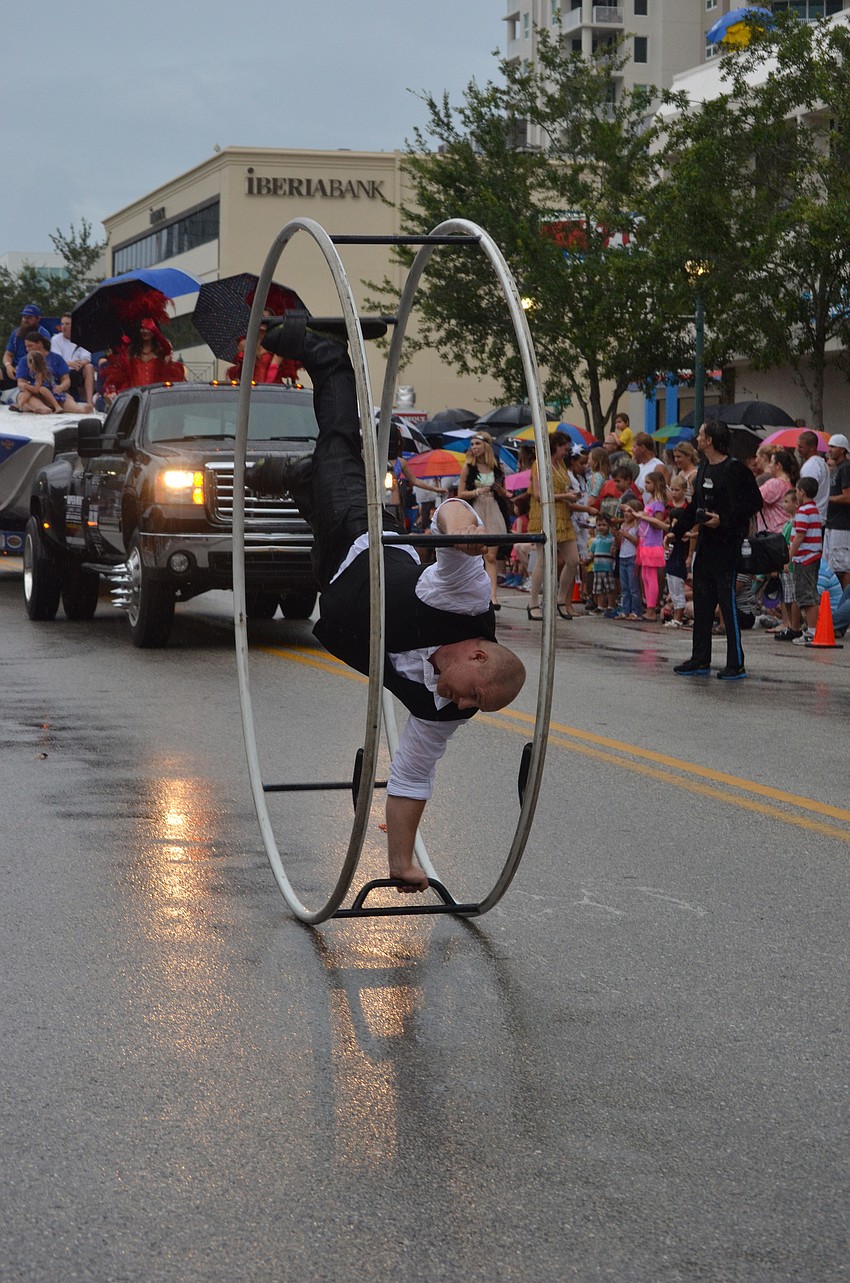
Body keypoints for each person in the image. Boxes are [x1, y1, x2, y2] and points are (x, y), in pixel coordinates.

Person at [245, 314, 526, 893]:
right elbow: (457, 518)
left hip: (333, 577)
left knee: (321, 475)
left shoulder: (445, 709)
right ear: (476, 655)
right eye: (472, 692)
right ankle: (320, 351)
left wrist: (400, 863)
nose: (461, 703)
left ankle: (302, 480)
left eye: (473, 706)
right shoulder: (466, 599)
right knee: (344, 444)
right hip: (362, 530)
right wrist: (457, 530)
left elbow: (412, 778)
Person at [674, 419, 763, 680]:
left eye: (701, 434)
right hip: (706, 547)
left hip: (728, 547)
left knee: (726, 605)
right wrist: (676, 531)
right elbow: (694, 507)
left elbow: (753, 503)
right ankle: (700, 658)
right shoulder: (703, 469)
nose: (697, 438)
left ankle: (736, 663)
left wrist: (723, 519)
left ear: (710, 440)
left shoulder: (735, 469)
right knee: (702, 605)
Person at [526, 430, 580, 621]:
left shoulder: (561, 464)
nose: (566, 452)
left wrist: (571, 497)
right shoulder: (539, 464)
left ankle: (560, 599)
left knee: (573, 560)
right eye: (564, 448)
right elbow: (539, 495)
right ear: (555, 446)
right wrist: (566, 496)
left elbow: (563, 487)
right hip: (544, 515)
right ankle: (532, 602)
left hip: (562, 515)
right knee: (543, 559)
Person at [457, 431, 511, 608]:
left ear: (486, 446)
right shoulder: (468, 468)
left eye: (477, 444)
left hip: (493, 509)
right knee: (474, 555)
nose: (474, 447)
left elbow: (504, 492)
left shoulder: (496, 468)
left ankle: (492, 595)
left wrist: (502, 492)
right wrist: (476, 492)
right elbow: (460, 494)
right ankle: (474, 592)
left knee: (491, 555)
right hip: (475, 510)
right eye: (472, 444)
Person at [15, 332, 91, 414]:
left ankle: (79, 409)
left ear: (40, 344)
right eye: (26, 346)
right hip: (34, 394)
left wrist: (60, 387)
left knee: (67, 398)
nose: (27, 349)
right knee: (25, 396)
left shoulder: (57, 358)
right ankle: (42, 408)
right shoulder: (24, 360)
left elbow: (66, 380)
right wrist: (27, 387)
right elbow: (21, 382)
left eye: (30, 346)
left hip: (54, 392)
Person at [788, 475, 823, 645]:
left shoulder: (803, 511)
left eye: (797, 491)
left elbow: (800, 536)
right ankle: (813, 629)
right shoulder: (814, 509)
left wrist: (789, 556)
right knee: (809, 593)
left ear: (801, 492)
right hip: (814, 557)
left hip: (805, 559)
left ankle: (812, 631)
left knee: (807, 596)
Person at [634, 470, 668, 621]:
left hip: (653, 543)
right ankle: (648, 605)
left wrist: (645, 517)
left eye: (648, 482)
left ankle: (651, 608)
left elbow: (658, 525)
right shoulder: (650, 501)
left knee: (651, 577)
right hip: (645, 542)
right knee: (645, 576)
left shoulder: (658, 504)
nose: (645, 485)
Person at [663, 473, 690, 629]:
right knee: (672, 586)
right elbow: (666, 526)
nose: (674, 493)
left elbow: (691, 534)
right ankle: (675, 616)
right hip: (671, 552)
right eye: (671, 489)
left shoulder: (687, 510)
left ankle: (678, 617)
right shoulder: (671, 508)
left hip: (681, 554)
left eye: (677, 489)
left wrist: (690, 555)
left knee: (677, 585)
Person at [50, 314, 96, 407]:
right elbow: (56, 359)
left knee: (89, 367)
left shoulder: (82, 338)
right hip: (63, 369)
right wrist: (70, 364)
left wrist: (80, 363)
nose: (64, 327)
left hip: (78, 368)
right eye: (62, 324)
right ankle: (68, 402)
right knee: (62, 371)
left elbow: (86, 356)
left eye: (67, 324)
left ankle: (90, 402)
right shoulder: (55, 339)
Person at [3, 304, 51, 391]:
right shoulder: (16, 333)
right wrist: (8, 366)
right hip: (15, 366)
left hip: (34, 366)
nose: (26, 320)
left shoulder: (43, 334)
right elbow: (8, 354)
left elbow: (44, 356)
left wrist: (23, 366)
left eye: (30, 318)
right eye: (24, 317)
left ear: (38, 319)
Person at [824, 433, 850, 589]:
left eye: (833, 447)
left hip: (842, 525)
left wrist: (828, 498)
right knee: (833, 565)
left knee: (843, 567)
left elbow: (848, 497)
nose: (829, 450)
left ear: (842, 449)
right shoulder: (837, 469)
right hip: (833, 523)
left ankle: (845, 600)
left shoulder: (846, 468)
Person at [759, 448, 800, 533]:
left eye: (771, 462)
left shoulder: (775, 484)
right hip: (786, 531)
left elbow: (753, 498)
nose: (769, 465)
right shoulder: (791, 483)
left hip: (771, 534)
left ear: (778, 465)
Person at [616, 494, 643, 620]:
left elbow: (638, 542)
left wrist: (627, 535)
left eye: (629, 511)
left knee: (633, 586)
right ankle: (625, 610)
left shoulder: (637, 526)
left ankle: (636, 611)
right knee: (624, 586)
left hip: (632, 557)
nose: (626, 514)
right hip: (623, 557)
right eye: (625, 511)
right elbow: (619, 542)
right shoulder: (623, 525)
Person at [796, 430, 830, 521]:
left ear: (812, 447)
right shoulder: (822, 463)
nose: (797, 449)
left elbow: (807, 493)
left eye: (801, 447)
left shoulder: (811, 466)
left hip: (811, 517)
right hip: (819, 515)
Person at [588, 515, 617, 615]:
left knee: (609, 588)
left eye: (604, 525)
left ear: (609, 526)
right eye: (599, 525)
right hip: (597, 568)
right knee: (599, 589)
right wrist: (586, 558)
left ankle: (611, 605)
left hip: (608, 567)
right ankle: (600, 606)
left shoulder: (612, 539)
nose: (601, 527)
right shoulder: (595, 540)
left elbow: (614, 551)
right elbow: (591, 553)